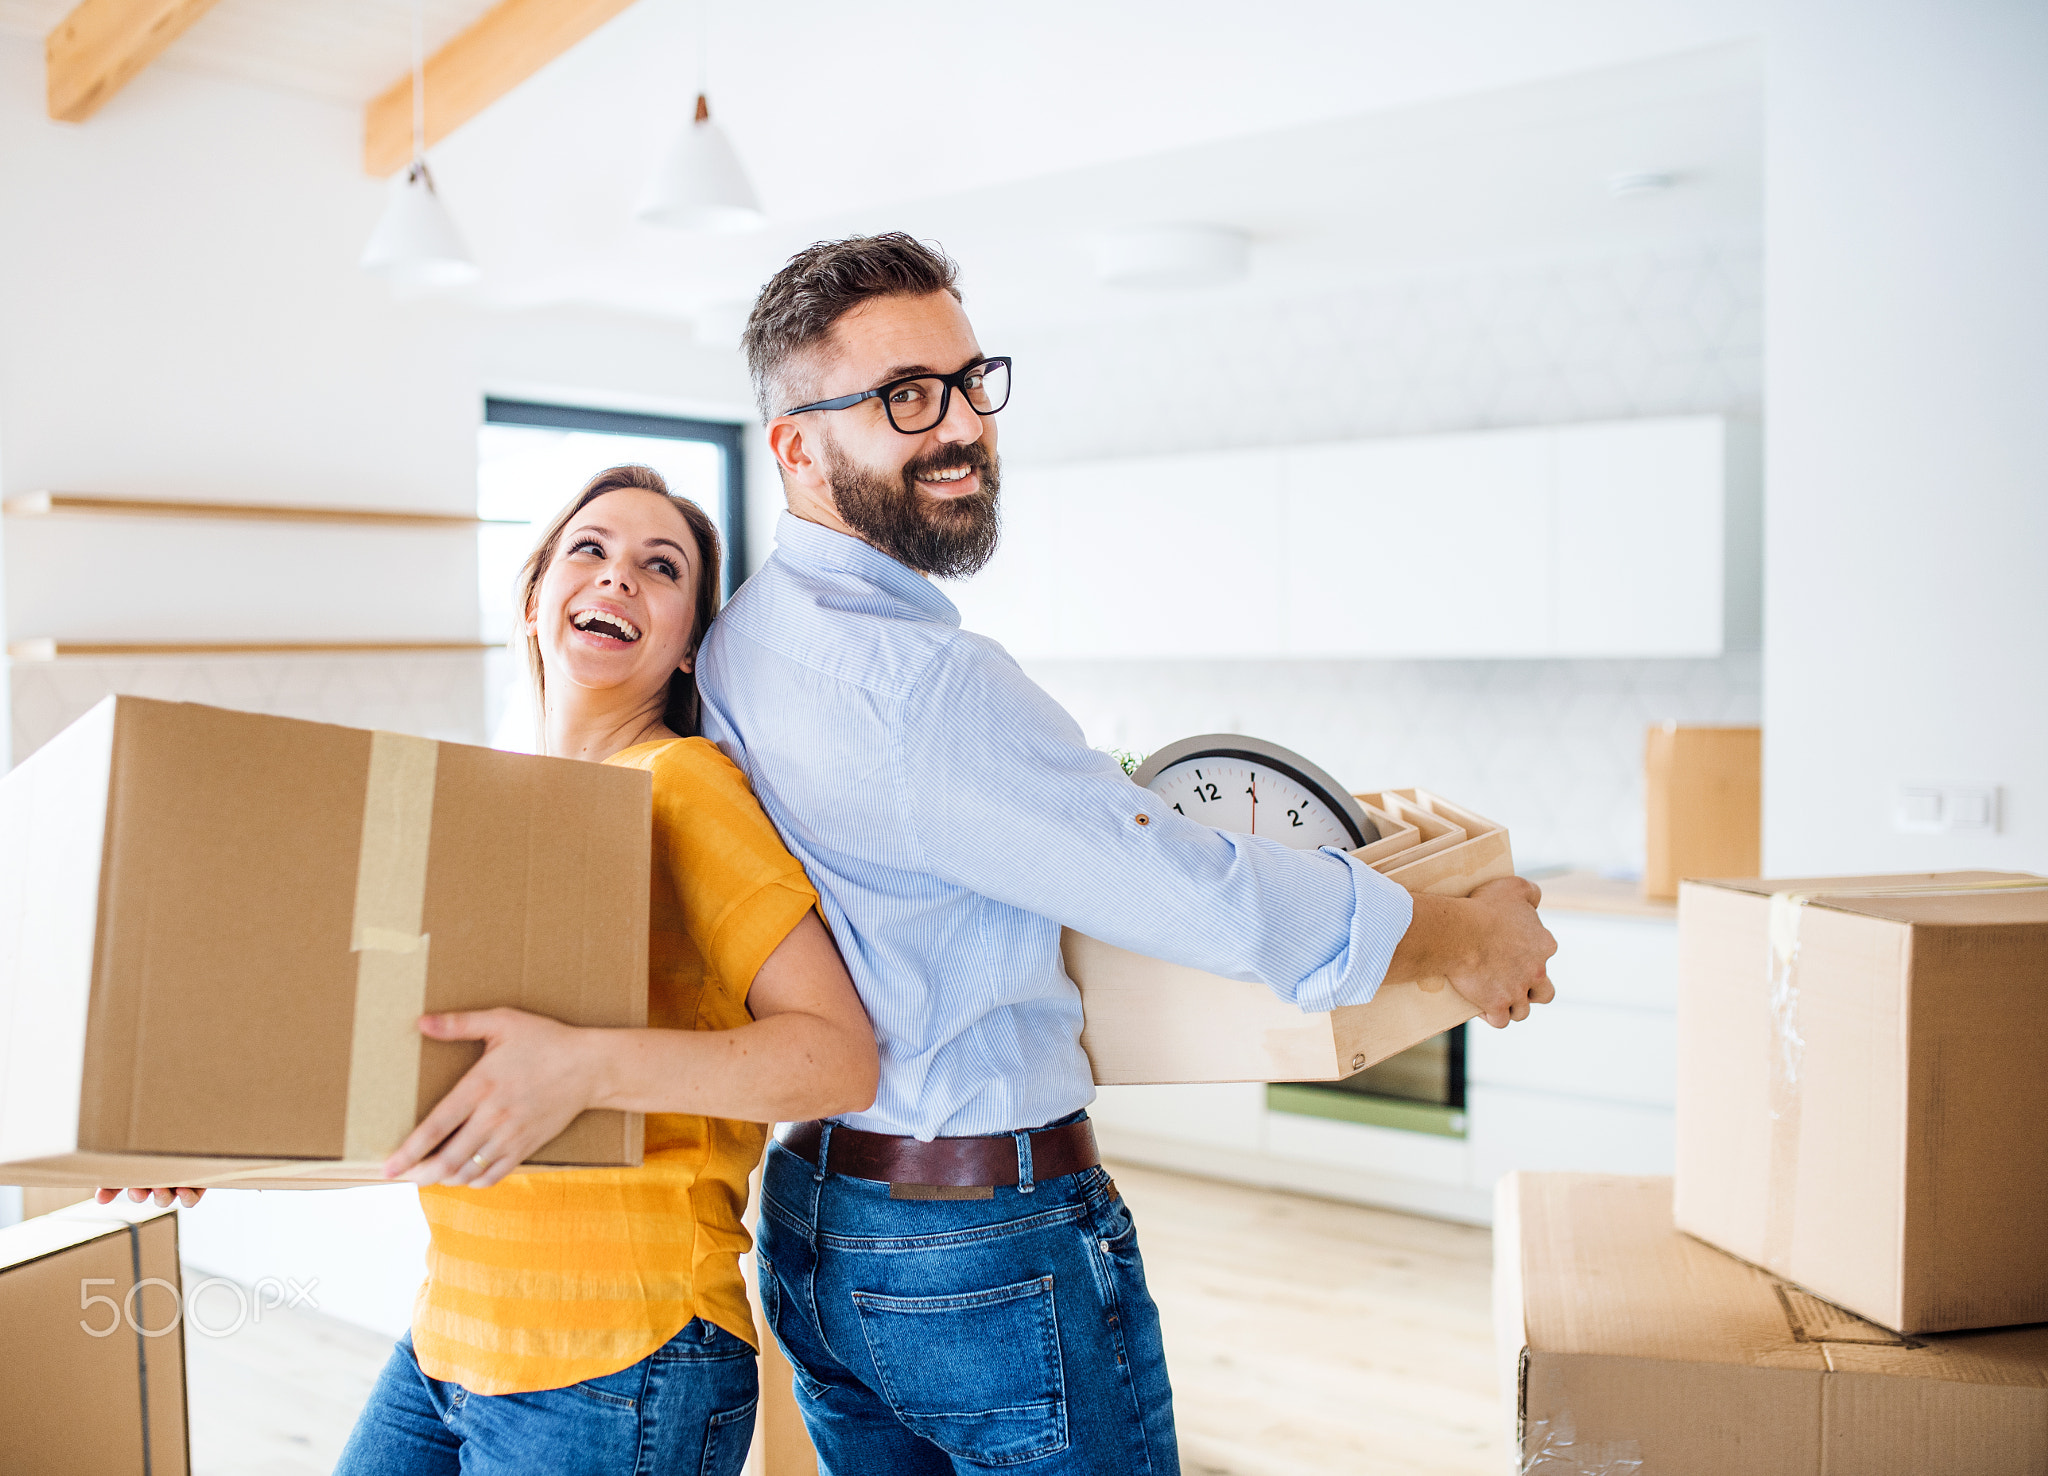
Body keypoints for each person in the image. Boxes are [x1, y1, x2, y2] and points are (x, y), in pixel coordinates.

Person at [696, 234, 1558, 1475]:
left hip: (820, 1226)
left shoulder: (742, 643)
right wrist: (1465, 936)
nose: (960, 428)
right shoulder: (925, 686)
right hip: (981, 1248)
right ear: (793, 445)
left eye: (968, 380)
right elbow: (1184, 889)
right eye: (902, 398)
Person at [103, 465, 879, 1476]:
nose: (617, 579)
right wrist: (206, 1146)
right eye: (588, 550)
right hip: (452, 1333)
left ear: (687, 644)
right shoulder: (500, 814)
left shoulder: (680, 784)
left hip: (625, 1355)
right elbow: (404, 1076)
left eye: (660, 566)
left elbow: (835, 1059)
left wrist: (586, 1066)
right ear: (532, 599)